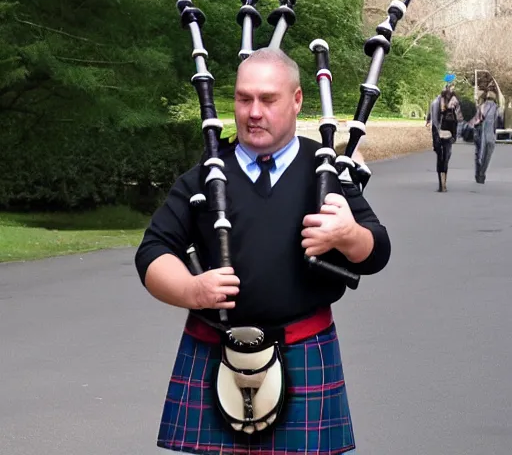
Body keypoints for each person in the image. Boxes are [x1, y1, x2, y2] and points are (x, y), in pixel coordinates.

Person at [135, 48, 391, 455]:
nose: (254, 112)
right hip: (212, 352)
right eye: (244, 98)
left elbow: (377, 251)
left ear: (297, 100)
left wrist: (348, 235)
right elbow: (152, 251)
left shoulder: (323, 171)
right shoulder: (206, 174)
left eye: (268, 99)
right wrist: (191, 290)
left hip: (303, 351)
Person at [426, 83, 462, 192]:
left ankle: (442, 184)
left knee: (442, 159)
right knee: (444, 158)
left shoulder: (442, 102)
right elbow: (457, 120)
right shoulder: (439, 102)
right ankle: (443, 184)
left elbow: (434, 121)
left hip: (442, 134)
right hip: (445, 135)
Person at [468, 90, 502, 184]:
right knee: (487, 156)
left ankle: (478, 174)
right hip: (490, 134)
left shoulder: (480, 107)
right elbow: (497, 122)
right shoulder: (496, 108)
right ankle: (482, 174)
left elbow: (474, 120)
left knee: (478, 154)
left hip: (479, 133)